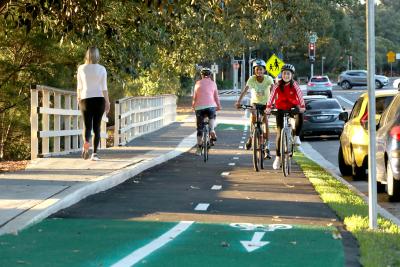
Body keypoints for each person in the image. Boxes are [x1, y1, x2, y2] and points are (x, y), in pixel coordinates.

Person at [265, 63, 305, 170]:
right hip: (281, 108)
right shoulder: (277, 85)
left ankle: (296, 137)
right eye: (284, 73)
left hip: (292, 107)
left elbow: (300, 95)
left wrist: (302, 106)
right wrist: (268, 107)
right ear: (281, 74)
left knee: (300, 115)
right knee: (279, 132)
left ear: (292, 75)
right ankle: (278, 157)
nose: (286, 75)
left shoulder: (295, 84)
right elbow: (272, 96)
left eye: (288, 74)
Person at [235, 59, 274, 158]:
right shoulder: (252, 79)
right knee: (253, 117)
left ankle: (267, 146)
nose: (259, 71)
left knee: (265, 121)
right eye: (257, 70)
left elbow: (274, 91)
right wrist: (239, 102)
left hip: (266, 103)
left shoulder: (268, 79)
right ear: (254, 70)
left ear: (264, 70)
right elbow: (245, 91)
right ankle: (251, 137)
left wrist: (274, 103)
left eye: (261, 69)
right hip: (255, 103)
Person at [77, 46, 110, 161]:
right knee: (97, 128)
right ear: (97, 55)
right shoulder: (102, 69)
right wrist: (108, 102)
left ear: (87, 55)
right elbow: (104, 88)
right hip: (99, 100)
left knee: (87, 127)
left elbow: (79, 87)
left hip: (85, 99)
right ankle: (94, 154)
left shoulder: (81, 68)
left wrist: (78, 98)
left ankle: (86, 146)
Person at [192, 67, 222, 155]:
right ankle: (212, 130)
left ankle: (199, 147)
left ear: (201, 75)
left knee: (199, 128)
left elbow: (195, 97)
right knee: (212, 116)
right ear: (210, 75)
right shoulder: (213, 83)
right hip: (210, 106)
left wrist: (193, 106)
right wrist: (219, 106)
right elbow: (216, 96)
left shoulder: (197, 83)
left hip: (199, 107)